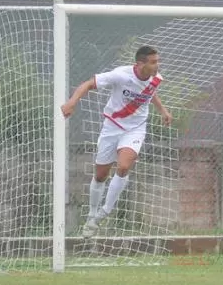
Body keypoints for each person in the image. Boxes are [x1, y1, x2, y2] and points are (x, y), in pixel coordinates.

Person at [61, 46, 172, 237]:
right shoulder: (120, 75)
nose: (157, 65)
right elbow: (88, 84)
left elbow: (149, 93)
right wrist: (72, 102)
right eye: (153, 62)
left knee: (123, 166)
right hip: (112, 127)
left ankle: (105, 212)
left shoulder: (155, 79)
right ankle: (92, 214)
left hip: (135, 129)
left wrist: (163, 110)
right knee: (101, 175)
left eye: (157, 61)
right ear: (140, 64)